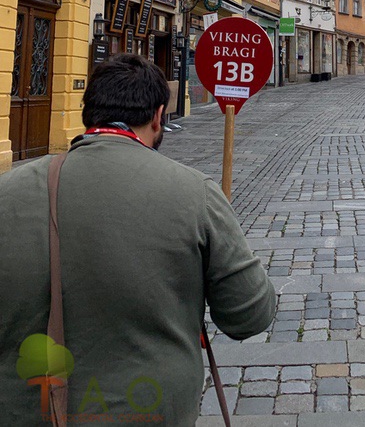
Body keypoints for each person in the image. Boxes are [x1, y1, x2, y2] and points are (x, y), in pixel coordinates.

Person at [0, 54, 276, 425]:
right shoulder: (194, 192)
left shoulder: (7, 190)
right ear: (159, 115)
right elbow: (250, 315)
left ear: (88, 112)